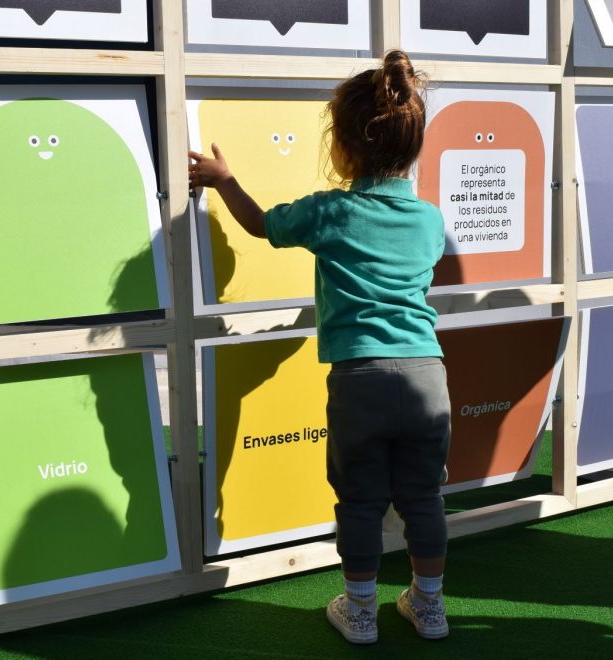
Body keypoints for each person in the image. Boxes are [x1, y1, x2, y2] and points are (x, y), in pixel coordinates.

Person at [189, 50, 451, 645]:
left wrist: (223, 180)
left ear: (345, 147)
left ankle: (361, 613)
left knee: (360, 500)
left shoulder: (331, 212)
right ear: (411, 146)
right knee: (423, 497)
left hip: (359, 380)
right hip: (427, 375)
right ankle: (429, 607)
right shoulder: (430, 221)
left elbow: (263, 227)